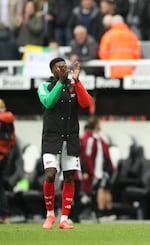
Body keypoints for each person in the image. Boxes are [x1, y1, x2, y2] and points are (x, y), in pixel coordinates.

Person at [37, 57, 92, 229]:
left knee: (69, 177)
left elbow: (86, 103)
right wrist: (61, 83)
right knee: (51, 174)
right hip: (52, 138)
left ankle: (64, 218)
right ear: (52, 71)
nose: (63, 69)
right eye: (59, 67)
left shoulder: (72, 85)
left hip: (71, 138)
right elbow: (49, 102)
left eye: (65, 67)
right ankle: (50, 214)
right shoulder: (44, 86)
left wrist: (78, 82)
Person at [80, 116, 115, 223]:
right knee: (96, 192)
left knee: (103, 190)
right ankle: (99, 214)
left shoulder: (98, 139)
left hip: (102, 170)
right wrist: (89, 171)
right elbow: (87, 156)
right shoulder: (90, 139)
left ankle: (105, 213)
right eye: (99, 123)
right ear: (95, 125)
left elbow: (103, 155)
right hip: (95, 171)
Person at [98, 15, 141, 79]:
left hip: (112, 72)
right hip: (128, 72)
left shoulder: (108, 35)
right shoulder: (132, 35)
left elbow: (102, 54)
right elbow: (137, 54)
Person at [0, 98, 16, 224]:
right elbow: (13, 141)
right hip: (4, 158)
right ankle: (5, 215)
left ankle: (4, 215)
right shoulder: (10, 122)